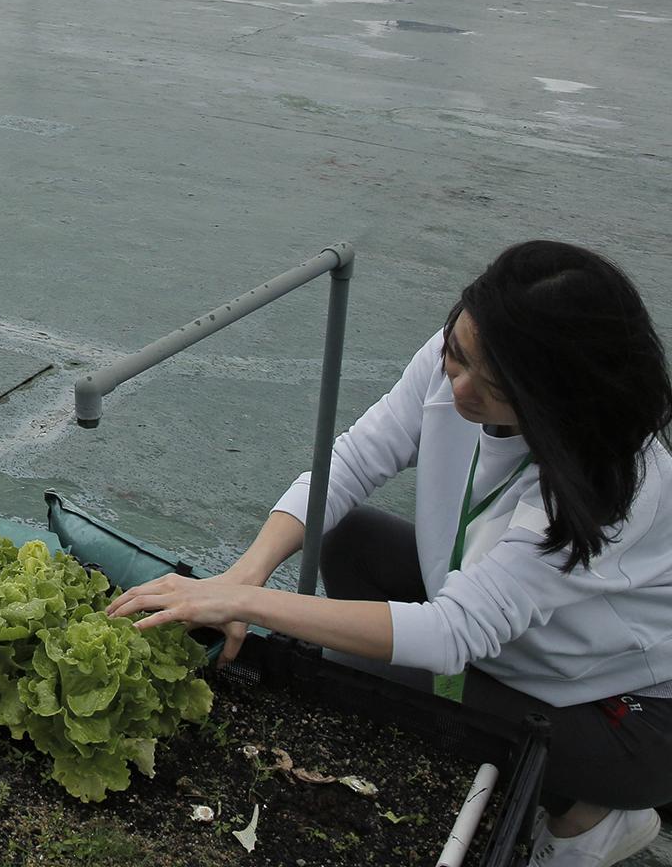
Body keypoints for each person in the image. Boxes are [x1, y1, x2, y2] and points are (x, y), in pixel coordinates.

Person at [109, 242, 672, 866]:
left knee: (371, 680)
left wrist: (246, 602)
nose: (455, 385)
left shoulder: (608, 487)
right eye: (455, 356)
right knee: (349, 539)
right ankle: (534, 766)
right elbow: (350, 461)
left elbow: (452, 633)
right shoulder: (464, 355)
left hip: (624, 714)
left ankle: (588, 813)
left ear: (554, 401)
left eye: (486, 389)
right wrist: (245, 572)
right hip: (516, 635)